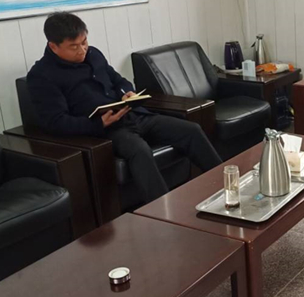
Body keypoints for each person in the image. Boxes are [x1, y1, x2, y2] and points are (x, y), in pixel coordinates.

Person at [27, 12, 222, 204]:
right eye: (74, 46)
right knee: (140, 150)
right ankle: (165, 211)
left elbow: (119, 80)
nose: (82, 50)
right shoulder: (41, 75)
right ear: (53, 46)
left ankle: (226, 186)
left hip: (134, 115)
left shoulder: (94, 54)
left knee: (191, 130)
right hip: (105, 131)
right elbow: (55, 121)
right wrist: (97, 124)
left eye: (84, 42)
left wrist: (127, 92)